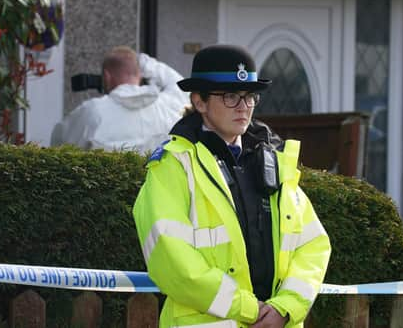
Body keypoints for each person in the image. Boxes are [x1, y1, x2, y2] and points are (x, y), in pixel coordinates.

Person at [133, 45, 331, 328]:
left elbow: (313, 244)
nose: (243, 106)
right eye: (230, 96)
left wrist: (285, 307)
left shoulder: (273, 160)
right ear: (199, 101)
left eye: (250, 96)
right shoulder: (173, 165)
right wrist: (250, 309)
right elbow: (172, 260)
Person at [50, 46, 188, 153]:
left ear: (106, 76)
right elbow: (181, 85)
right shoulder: (166, 106)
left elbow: (59, 143)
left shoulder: (92, 112)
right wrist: (143, 62)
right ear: (139, 74)